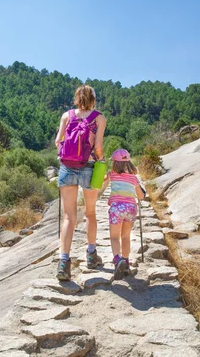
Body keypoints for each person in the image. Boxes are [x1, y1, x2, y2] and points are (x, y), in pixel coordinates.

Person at [55, 85, 106, 281]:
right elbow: (98, 146)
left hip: (67, 167)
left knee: (69, 216)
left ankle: (63, 262)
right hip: (89, 166)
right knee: (90, 213)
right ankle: (91, 255)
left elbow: (57, 141)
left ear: (77, 98)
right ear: (94, 99)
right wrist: (101, 161)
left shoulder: (66, 116)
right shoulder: (99, 118)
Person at [107, 149, 145, 280]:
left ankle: (118, 261)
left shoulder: (112, 174)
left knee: (114, 237)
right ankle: (126, 262)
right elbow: (141, 196)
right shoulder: (133, 178)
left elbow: (100, 184)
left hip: (117, 208)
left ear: (114, 163)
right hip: (130, 208)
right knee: (125, 236)